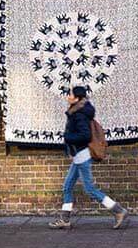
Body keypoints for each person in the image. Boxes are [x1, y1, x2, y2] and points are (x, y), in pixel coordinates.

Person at [49, 86, 128, 229]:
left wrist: (68, 137)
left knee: (90, 189)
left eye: (70, 94)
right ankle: (65, 219)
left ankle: (118, 210)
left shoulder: (79, 114)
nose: (68, 96)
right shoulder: (77, 111)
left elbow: (85, 136)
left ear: (77, 98)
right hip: (78, 155)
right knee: (67, 186)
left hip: (82, 155)